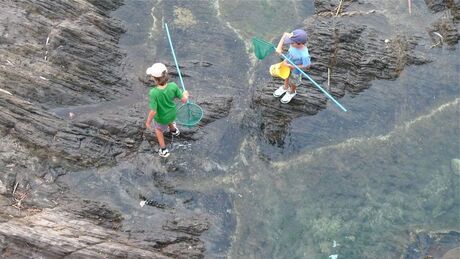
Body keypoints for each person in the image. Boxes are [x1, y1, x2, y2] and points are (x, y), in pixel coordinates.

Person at [145, 63, 189, 158]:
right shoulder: (173, 86)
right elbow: (184, 100)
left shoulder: (153, 93)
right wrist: (185, 94)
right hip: (172, 113)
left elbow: (153, 111)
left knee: (159, 130)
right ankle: (174, 130)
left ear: (154, 78)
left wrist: (148, 122)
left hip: (161, 118)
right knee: (170, 121)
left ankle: (164, 150)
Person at [273, 29, 311, 104]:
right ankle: (285, 87)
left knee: (293, 81)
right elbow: (284, 34)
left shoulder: (304, 55)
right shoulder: (294, 40)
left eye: (291, 42)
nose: (289, 43)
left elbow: (307, 65)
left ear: (299, 43)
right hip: (287, 62)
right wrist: (279, 47)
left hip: (296, 70)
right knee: (286, 75)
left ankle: (292, 92)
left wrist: (294, 66)